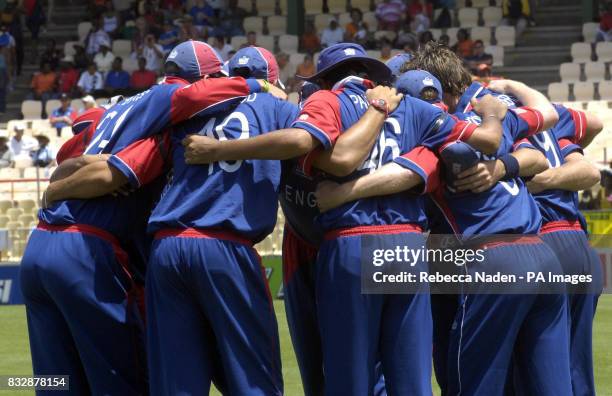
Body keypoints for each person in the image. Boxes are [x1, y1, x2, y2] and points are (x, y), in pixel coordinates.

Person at [178, 42, 507, 395]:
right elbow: (488, 140)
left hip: (350, 241)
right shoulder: (412, 106)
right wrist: (490, 113)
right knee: (413, 382)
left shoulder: (324, 101)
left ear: (325, 78)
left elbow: (336, 158)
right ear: (372, 75)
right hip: (408, 244)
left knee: (348, 379)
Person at [21, 39, 283, 395]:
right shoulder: (165, 111)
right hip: (86, 249)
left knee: (55, 382)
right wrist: (256, 84)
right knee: (123, 379)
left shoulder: (116, 107)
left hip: (39, 246)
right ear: (201, 81)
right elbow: (112, 174)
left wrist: (60, 184)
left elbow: (70, 153)